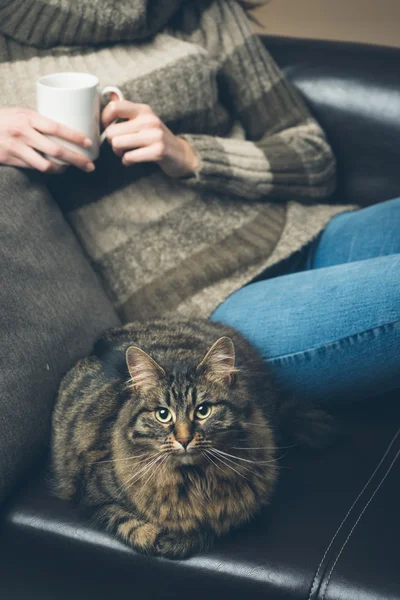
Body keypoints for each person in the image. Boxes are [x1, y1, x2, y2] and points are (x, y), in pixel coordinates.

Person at [0, 0, 398, 408]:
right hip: (209, 314)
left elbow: (312, 156)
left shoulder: (198, 9)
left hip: (304, 231)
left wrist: (190, 155)